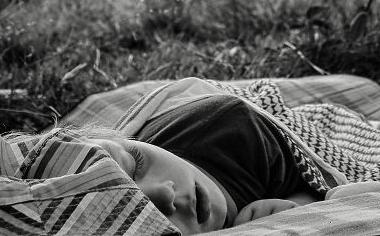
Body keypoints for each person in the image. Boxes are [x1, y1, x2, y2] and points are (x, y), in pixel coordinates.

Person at [87, 93, 321, 234]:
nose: (165, 193)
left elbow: (317, 180)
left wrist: (292, 205)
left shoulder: (236, 133)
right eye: (132, 213)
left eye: (134, 164)